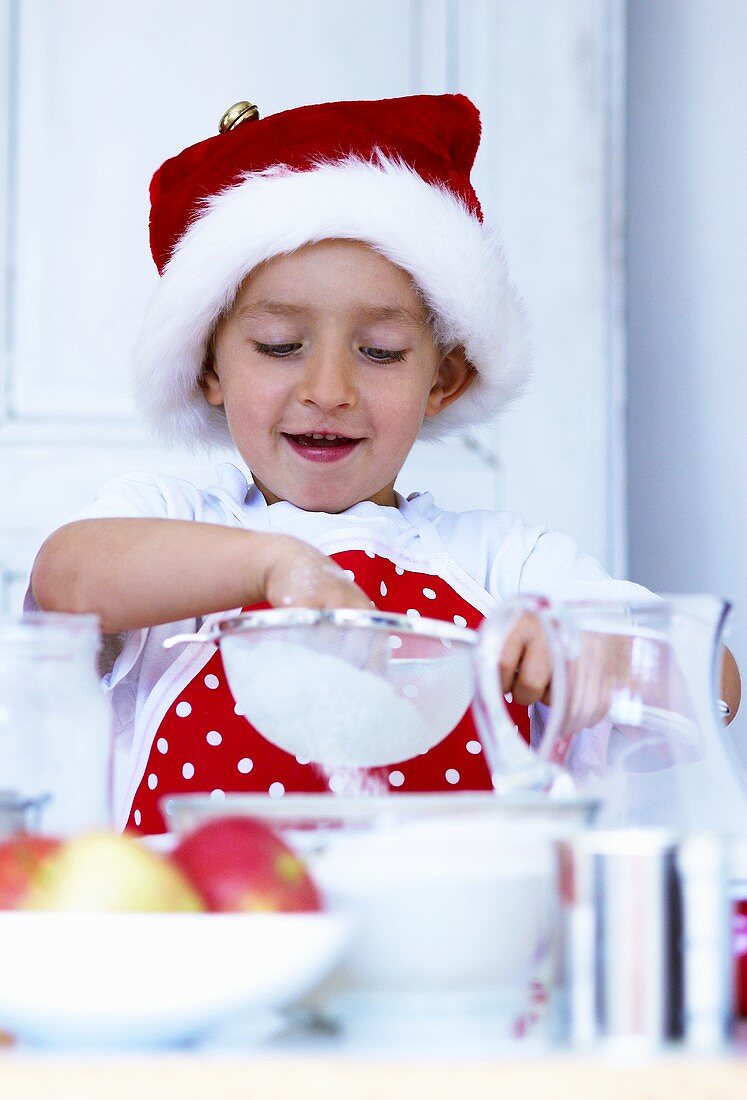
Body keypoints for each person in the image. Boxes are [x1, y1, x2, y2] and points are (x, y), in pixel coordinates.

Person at [27, 94, 740, 834]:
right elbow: (68, 576)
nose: (328, 391)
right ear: (208, 369)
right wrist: (274, 566)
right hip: (205, 940)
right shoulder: (173, 521)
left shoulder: (500, 563)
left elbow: (710, 676)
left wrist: (583, 655)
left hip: (451, 941)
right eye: (278, 345)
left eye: (380, 353)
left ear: (443, 381)